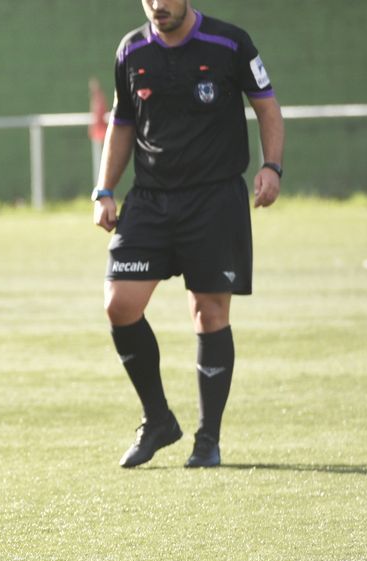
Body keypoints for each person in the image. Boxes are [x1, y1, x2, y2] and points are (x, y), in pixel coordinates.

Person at [93, 0, 284, 468]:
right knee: (119, 304)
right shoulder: (130, 50)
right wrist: (104, 189)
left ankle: (208, 441)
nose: (158, 5)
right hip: (150, 200)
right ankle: (158, 420)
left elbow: (268, 108)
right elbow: (121, 124)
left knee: (209, 312)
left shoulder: (229, 42)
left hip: (214, 199)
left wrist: (272, 167)